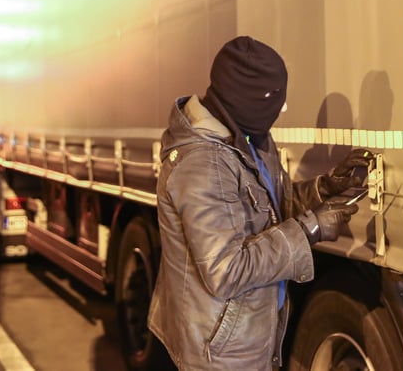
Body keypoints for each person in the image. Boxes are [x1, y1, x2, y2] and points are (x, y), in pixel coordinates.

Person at [148, 35, 372, 370]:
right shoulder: (203, 165)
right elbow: (226, 270)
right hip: (219, 355)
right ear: (247, 97)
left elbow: (266, 210)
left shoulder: (248, 140)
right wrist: (310, 229)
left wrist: (324, 188)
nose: (281, 109)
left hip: (243, 340)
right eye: (274, 98)